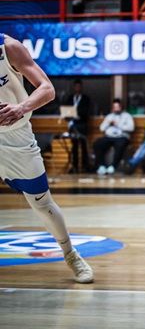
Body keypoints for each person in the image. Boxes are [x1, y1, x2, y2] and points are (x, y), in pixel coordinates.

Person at [0, 33, 93, 283]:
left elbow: (47, 89)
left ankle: (71, 254)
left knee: (41, 203)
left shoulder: (9, 48)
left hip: (16, 138)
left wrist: (21, 107)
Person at [93, 98, 134, 175]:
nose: (116, 109)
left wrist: (118, 124)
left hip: (121, 136)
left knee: (120, 145)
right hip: (109, 136)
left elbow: (131, 128)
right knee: (97, 144)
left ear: (121, 107)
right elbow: (101, 128)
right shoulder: (109, 116)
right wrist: (108, 123)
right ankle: (102, 166)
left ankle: (113, 166)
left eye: (117, 107)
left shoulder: (127, 116)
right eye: (114, 107)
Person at [64, 79, 91, 173]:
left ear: (81, 87)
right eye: (76, 86)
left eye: (79, 86)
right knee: (74, 146)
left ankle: (85, 166)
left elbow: (86, 112)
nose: (77, 88)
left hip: (82, 124)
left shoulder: (86, 99)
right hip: (72, 124)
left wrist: (77, 114)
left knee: (83, 145)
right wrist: (69, 116)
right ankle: (74, 166)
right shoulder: (70, 98)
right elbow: (66, 110)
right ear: (74, 87)